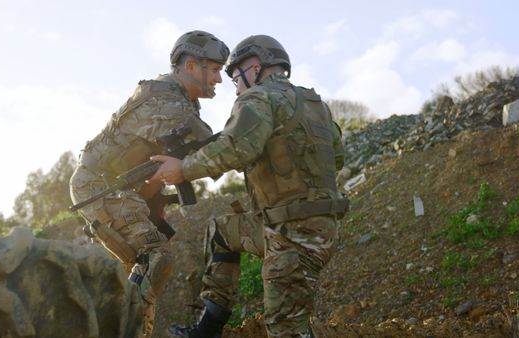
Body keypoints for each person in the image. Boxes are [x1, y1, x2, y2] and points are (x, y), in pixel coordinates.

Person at [152, 35, 348, 338]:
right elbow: (336, 157)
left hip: (293, 237)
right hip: (314, 227)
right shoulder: (316, 105)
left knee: (285, 330)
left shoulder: (257, 98)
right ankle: (206, 331)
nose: (236, 86)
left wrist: (183, 169)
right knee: (222, 230)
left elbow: (235, 147)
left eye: (235, 78)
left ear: (254, 68)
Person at [69, 30, 229, 337]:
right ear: (192, 66)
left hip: (119, 186)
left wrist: (153, 200)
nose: (219, 79)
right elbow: (216, 151)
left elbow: (162, 161)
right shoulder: (168, 101)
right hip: (98, 187)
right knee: (154, 256)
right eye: (215, 69)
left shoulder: (174, 97)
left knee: (150, 259)